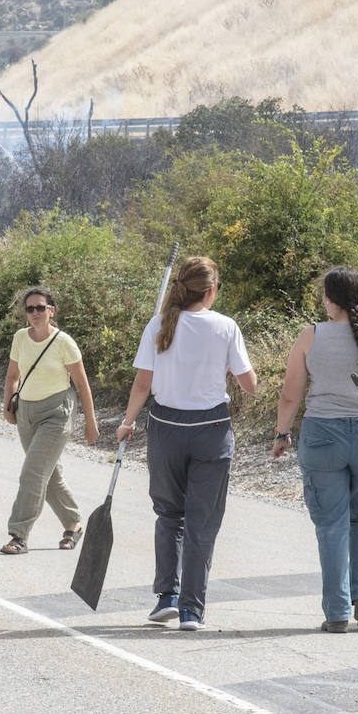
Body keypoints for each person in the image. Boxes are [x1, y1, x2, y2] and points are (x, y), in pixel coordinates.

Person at [118, 256, 256, 631]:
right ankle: (191, 611)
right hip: (211, 429)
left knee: (169, 514)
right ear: (211, 291)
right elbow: (250, 384)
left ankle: (167, 596)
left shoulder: (159, 323)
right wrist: (229, 371)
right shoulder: (226, 327)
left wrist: (128, 422)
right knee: (202, 522)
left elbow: (142, 384)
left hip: (165, 427)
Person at [271, 266, 358, 633]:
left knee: (331, 525)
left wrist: (281, 435)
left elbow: (290, 394)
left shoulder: (310, 337)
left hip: (323, 437)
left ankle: (336, 613)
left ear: (329, 300)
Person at [0, 286, 100, 554]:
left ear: (51, 311)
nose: (35, 313)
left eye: (40, 308)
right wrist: (8, 407)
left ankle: (18, 535)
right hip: (26, 413)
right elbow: (12, 376)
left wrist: (90, 423)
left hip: (57, 413)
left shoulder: (63, 343)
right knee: (48, 474)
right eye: (30, 308)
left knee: (32, 472)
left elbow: (82, 385)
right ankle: (73, 523)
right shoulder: (20, 338)